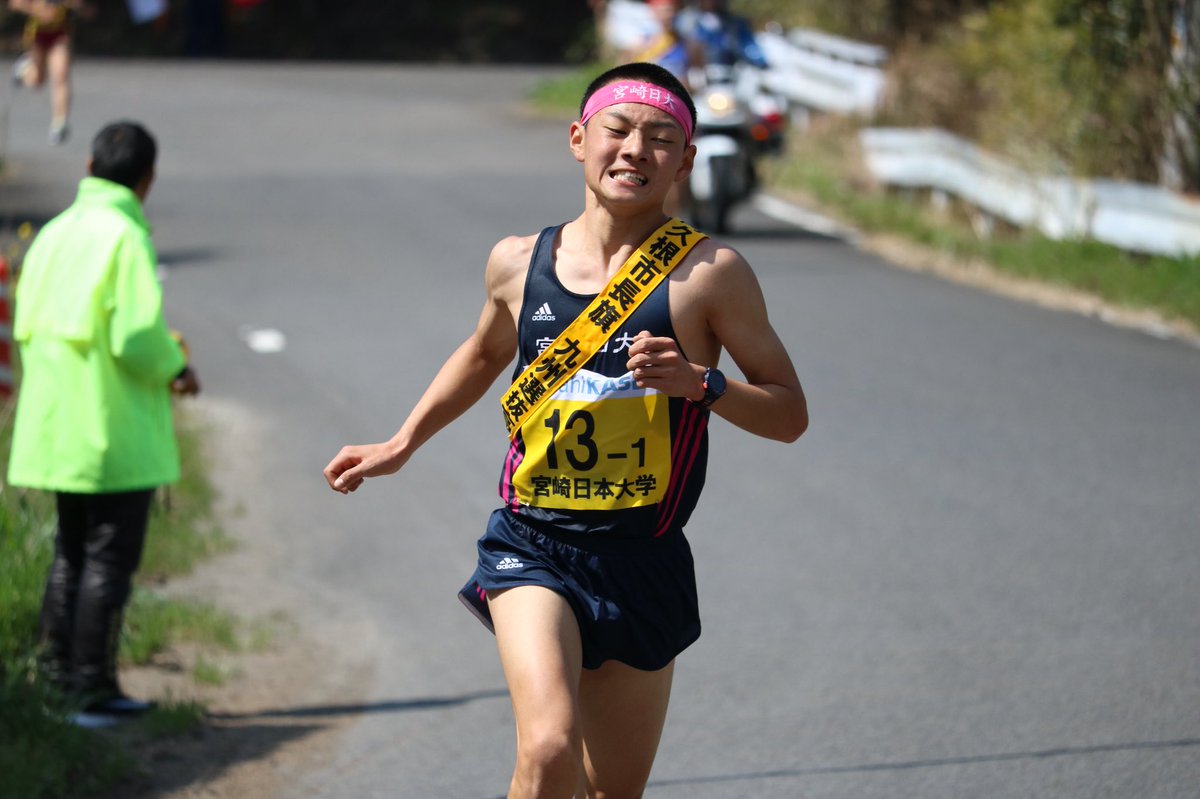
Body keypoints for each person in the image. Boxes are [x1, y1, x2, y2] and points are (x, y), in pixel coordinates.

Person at [323, 61, 807, 798]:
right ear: (579, 139)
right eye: (617, 130)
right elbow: (484, 351)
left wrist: (701, 383)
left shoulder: (711, 274)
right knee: (548, 746)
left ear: (687, 161)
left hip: (642, 556)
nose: (635, 150)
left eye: (660, 138)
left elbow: (789, 411)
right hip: (533, 542)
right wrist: (401, 442)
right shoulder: (518, 262)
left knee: (610, 790)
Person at [7, 121, 200, 721]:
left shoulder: (54, 234)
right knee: (107, 562)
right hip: (112, 432)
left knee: (70, 554)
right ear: (147, 180)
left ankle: (54, 683)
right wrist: (177, 367)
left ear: (89, 164)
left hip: (56, 427)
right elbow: (136, 335)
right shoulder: (124, 237)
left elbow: (27, 324)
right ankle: (91, 690)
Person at [8, 0, 91, 145]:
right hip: (38, 34)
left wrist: (78, 6)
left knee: (61, 75)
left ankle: (59, 123)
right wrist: (36, 10)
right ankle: (24, 70)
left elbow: (88, 12)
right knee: (37, 81)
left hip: (60, 34)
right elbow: (15, 3)